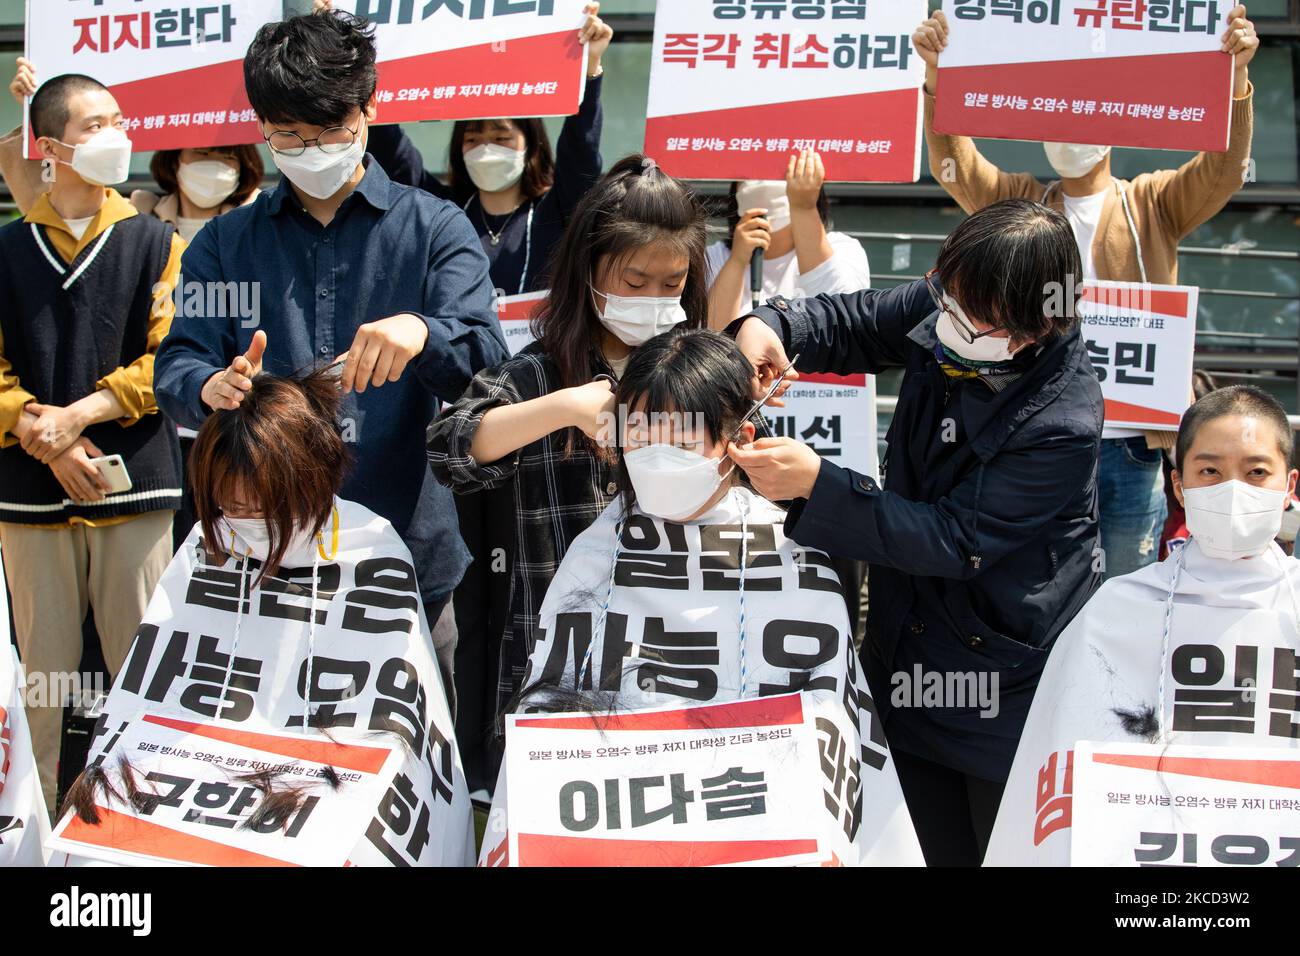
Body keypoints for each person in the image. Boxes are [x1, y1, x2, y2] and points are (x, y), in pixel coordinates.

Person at [726, 198, 1104, 866]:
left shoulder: (1061, 423)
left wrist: (820, 484)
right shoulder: (954, 300)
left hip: (1001, 677)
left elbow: (954, 540)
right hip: (904, 652)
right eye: (945, 295)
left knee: (994, 847)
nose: (946, 319)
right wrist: (766, 323)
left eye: (971, 315)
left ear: (1039, 323)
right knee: (904, 841)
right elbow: (852, 321)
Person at [153, 10, 509, 707]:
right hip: (261, 549)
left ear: (371, 107)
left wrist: (422, 333)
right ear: (261, 127)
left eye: (330, 133)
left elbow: (489, 360)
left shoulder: (433, 228)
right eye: (287, 135)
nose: (311, 151)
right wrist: (212, 386)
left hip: (403, 552)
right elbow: (180, 362)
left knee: (403, 746)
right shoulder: (228, 245)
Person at [478, 328, 923, 867]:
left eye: (683, 441)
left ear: (739, 436)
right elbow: (553, 721)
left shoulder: (794, 556)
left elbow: (825, 730)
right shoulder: (593, 553)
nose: (659, 458)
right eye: (642, 437)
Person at [52, 370, 475, 867]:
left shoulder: (370, 550)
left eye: (260, 505)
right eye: (228, 504)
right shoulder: (207, 545)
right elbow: (146, 702)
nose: (242, 517)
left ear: (306, 478)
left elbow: (392, 724)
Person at [913, 5, 1259, 580]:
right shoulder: (1024, 203)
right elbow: (958, 168)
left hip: (1129, 439)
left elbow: (1222, 171)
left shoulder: (1152, 202)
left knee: (1126, 582)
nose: (1070, 131)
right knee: (1039, 583)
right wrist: (937, 79)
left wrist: (1238, 81)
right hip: (1040, 430)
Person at [427, 155, 710, 786]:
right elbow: (451, 446)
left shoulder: (700, 375)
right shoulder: (534, 374)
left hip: (673, 659)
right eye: (635, 282)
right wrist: (562, 409)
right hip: (552, 662)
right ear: (588, 271)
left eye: (673, 285)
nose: (654, 301)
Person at [985, 385, 1300, 866]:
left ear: (1289, 486)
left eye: (1256, 472)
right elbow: (1066, 753)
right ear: (1178, 485)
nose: (1232, 489)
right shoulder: (1117, 607)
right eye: (1209, 471)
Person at [0, 73, 185, 816]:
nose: (114, 134)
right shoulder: (9, 248)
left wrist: (74, 418)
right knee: (41, 680)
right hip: (26, 490)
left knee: (142, 669)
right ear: (47, 148)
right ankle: (32, 827)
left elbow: (167, 356)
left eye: (117, 118)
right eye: (93, 124)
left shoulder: (153, 240)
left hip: (133, 484)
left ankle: (150, 822)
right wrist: (38, 433)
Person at [324, 0, 612, 296]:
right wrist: (339, 46)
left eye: (501, 138)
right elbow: (394, 153)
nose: (486, 148)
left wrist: (590, 70)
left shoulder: (556, 211)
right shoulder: (441, 209)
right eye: (473, 139)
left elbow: (581, 154)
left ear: (532, 146)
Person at [4, 57, 265, 237]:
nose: (213, 164)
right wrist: (39, 111)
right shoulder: (134, 216)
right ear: (175, 161)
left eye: (228, 158)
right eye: (202, 153)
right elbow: (54, 215)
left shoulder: (257, 220)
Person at [706, 149, 871, 330]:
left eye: (779, 173)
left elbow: (840, 317)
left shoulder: (843, 249)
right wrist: (737, 260)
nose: (764, 182)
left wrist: (804, 208)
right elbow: (712, 335)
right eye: (752, 174)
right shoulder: (715, 256)